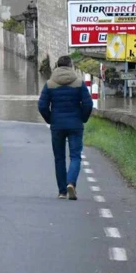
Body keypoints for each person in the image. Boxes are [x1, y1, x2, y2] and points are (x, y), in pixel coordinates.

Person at [37, 55, 93, 200]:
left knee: (59, 158)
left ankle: (62, 191)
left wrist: (50, 119)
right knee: (75, 156)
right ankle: (71, 183)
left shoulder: (49, 84)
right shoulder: (79, 83)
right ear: (71, 66)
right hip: (75, 124)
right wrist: (83, 118)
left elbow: (42, 106)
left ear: (56, 67)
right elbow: (88, 104)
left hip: (57, 126)